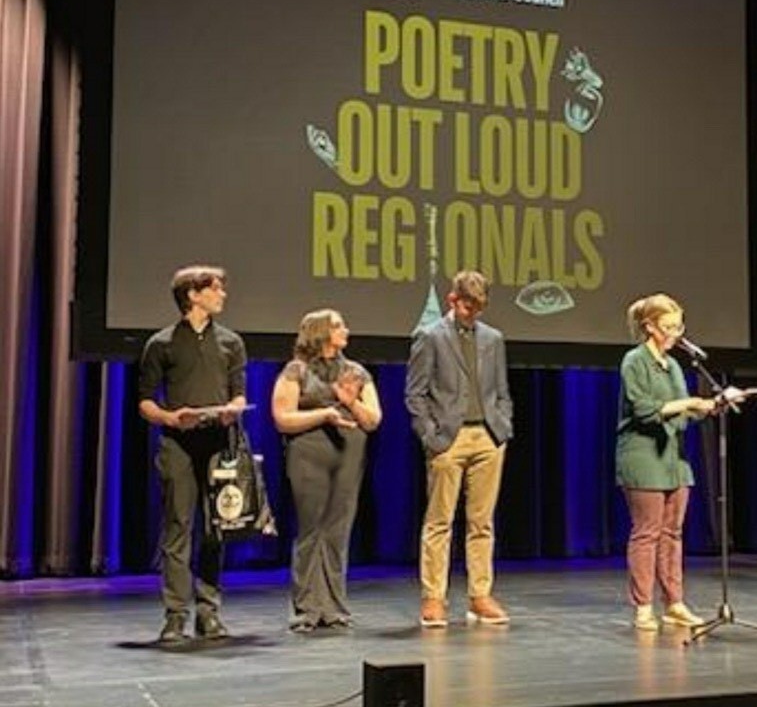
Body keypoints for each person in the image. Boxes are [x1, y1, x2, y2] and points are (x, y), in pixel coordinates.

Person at [138, 265, 248, 643]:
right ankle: (175, 615)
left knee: (216, 528)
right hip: (178, 444)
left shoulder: (231, 342)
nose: (223, 295)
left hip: (219, 442)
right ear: (193, 295)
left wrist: (234, 408)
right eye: (216, 288)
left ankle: (209, 611)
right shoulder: (162, 343)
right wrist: (171, 418)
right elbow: (146, 402)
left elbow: (238, 393)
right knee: (178, 528)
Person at [405, 270, 514, 628]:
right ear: (453, 300)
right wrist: (432, 437)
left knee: (481, 523)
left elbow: (501, 389)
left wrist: (502, 426)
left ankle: (479, 595)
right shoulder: (429, 336)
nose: (473, 314)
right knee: (439, 522)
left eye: (479, 308)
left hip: (487, 437)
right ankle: (433, 598)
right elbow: (415, 394)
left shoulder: (493, 338)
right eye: (468, 306)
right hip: (447, 441)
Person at [271, 309, 382, 632]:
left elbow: (373, 419)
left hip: (349, 453)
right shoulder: (297, 370)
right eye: (337, 325)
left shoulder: (355, 372)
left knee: (337, 530)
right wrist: (324, 415)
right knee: (312, 529)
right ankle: (306, 609)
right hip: (309, 453)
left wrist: (351, 402)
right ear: (320, 333)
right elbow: (282, 417)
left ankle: (334, 608)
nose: (345, 329)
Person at [616, 293, 720, 632]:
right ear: (650, 327)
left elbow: (682, 415)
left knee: (672, 534)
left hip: (675, 458)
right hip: (643, 456)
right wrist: (688, 402)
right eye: (669, 327)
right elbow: (644, 409)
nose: (676, 333)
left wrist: (708, 406)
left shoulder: (673, 364)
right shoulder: (634, 361)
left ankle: (674, 602)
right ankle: (643, 607)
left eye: (679, 326)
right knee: (647, 532)